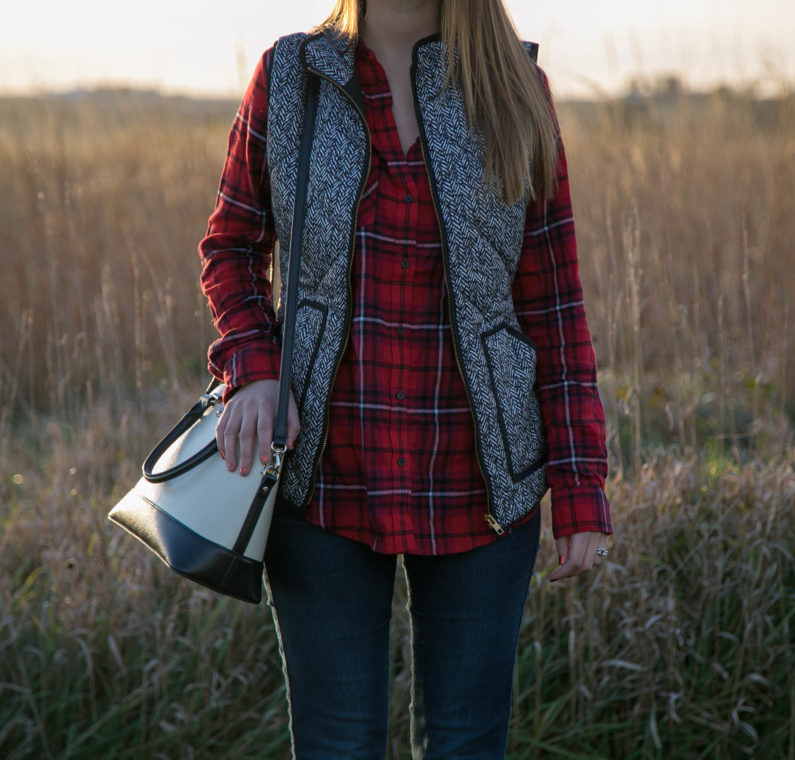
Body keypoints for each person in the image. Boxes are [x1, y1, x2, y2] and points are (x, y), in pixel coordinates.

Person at [199, 0, 611, 756]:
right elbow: (232, 245)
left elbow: (554, 303)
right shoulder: (290, 78)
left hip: (481, 487)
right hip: (321, 478)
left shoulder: (516, 88)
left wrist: (581, 483)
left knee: (464, 745)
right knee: (337, 747)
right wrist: (255, 369)